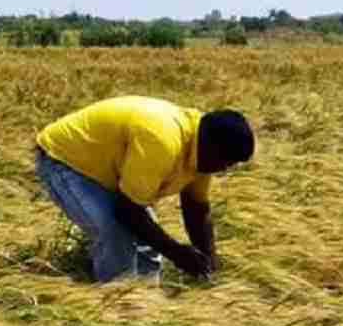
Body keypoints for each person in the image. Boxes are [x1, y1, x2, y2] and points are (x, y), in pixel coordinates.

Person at [34, 96, 254, 282]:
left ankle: (145, 300)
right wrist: (178, 254)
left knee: (147, 237)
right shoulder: (163, 141)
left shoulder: (201, 152)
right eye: (225, 162)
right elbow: (127, 211)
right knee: (114, 230)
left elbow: (196, 211)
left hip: (107, 167)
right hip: (65, 159)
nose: (224, 169)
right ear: (212, 146)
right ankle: (118, 305)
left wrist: (208, 262)